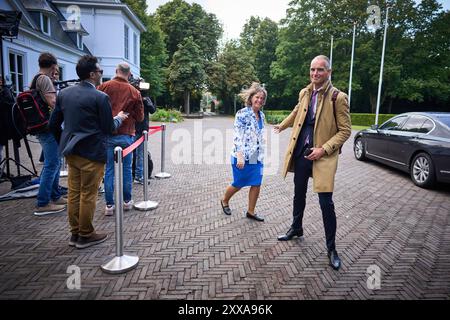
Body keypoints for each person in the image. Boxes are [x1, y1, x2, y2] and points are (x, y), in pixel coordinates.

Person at [274, 55, 351, 270]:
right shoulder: (305, 92)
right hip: (302, 152)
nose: (315, 74)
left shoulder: (338, 97)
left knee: (326, 203)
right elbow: (297, 111)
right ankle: (296, 228)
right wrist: (282, 125)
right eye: (312, 70)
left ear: (328, 72)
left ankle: (331, 248)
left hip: (323, 155)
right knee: (298, 193)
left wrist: (323, 149)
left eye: (319, 70)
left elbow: (345, 131)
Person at [48, 55, 128, 249]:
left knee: (74, 193)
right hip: (92, 153)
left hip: (71, 152)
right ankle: (86, 234)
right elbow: (109, 127)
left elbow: (53, 124)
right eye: (100, 71)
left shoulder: (64, 94)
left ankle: (74, 233)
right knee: (88, 194)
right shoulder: (100, 97)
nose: (102, 74)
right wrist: (119, 118)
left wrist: (64, 143)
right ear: (92, 74)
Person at [97, 63, 144, 216]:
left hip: (108, 135)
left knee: (109, 169)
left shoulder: (103, 87)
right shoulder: (135, 92)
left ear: (116, 71)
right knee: (126, 169)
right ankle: (126, 201)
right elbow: (140, 117)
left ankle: (109, 205)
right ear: (129, 74)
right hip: (126, 134)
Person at [220, 82, 267, 222]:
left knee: (256, 183)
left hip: (256, 156)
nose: (259, 100)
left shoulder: (262, 115)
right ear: (251, 98)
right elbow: (237, 136)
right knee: (239, 183)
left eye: (262, 98)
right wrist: (240, 155)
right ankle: (224, 200)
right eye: (257, 97)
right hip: (241, 155)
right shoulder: (242, 114)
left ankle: (251, 212)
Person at [33, 52, 66, 216]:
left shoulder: (37, 78)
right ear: (53, 66)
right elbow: (53, 103)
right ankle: (43, 202)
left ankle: (55, 195)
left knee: (55, 162)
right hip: (46, 127)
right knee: (51, 164)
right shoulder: (44, 79)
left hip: (42, 127)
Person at [133, 84, 156, 184]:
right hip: (134, 129)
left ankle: (137, 175)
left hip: (142, 130)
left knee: (140, 154)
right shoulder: (133, 96)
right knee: (134, 154)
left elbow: (152, 110)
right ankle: (135, 175)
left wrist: (147, 101)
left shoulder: (146, 99)